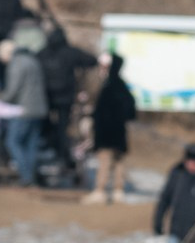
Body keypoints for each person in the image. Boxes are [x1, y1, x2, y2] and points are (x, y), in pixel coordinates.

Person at [35, 20, 97, 189]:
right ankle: (62, 154)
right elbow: (91, 60)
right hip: (65, 99)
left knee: (46, 126)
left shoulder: (42, 54)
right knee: (63, 128)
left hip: (46, 98)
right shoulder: (69, 53)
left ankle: (49, 149)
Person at [85, 51, 137, 205]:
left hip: (106, 132)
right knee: (119, 161)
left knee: (105, 161)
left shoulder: (108, 86)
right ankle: (118, 191)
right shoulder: (122, 86)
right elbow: (131, 110)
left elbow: (101, 112)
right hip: (119, 131)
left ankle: (100, 190)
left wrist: (95, 122)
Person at [0, 39, 48, 188]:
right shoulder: (32, 60)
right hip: (39, 109)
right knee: (31, 145)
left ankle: (26, 177)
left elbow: (13, 90)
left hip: (23, 110)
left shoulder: (16, 64)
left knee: (12, 142)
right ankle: (31, 177)